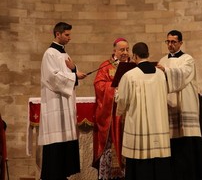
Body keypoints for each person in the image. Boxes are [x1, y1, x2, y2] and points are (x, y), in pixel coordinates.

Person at [115, 42, 172, 180]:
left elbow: (122, 99)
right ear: (148, 54)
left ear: (134, 56)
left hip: (139, 127)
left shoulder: (130, 76)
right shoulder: (160, 74)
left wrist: (118, 104)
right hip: (158, 125)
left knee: (139, 161)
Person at [38, 22, 86, 180]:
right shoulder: (49, 54)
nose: (69, 38)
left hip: (65, 105)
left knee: (66, 140)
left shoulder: (64, 54)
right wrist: (74, 76)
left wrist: (73, 69)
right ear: (57, 34)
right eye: (67, 35)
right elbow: (52, 78)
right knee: (56, 143)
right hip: (55, 106)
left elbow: (65, 74)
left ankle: (63, 174)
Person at [157, 30, 202, 180]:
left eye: (173, 42)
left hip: (185, 104)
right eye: (168, 42)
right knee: (172, 143)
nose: (170, 45)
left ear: (180, 43)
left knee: (186, 143)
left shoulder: (188, 59)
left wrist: (166, 71)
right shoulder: (163, 60)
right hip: (169, 104)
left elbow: (184, 73)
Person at [93, 38, 129, 180]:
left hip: (129, 114)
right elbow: (99, 85)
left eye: (127, 49)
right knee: (111, 148)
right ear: (114, 50)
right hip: (112, 115)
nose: (125, 52)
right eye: (122, 50)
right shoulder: (106, 66)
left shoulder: (133, 66)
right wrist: (114, 89)